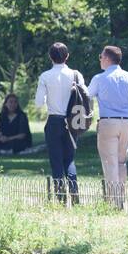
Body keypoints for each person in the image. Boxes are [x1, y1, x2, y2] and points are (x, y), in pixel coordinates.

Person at [88, 45, 128, 208]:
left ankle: (114, 202)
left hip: (108, 122)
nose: (100, 60)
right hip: (127, 123)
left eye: (100, 57)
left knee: (109, 162)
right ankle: (120, 198)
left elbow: (86, 95)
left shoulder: (99, 78)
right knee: (121, 162)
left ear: (106, 58)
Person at [35, 42, 84, 201]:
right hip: (72, 121)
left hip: (54, 120)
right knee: (69, 158)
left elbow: (38, 102)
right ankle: (74, 193)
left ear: (50, 57)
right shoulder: (76, 74)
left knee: (56, 159)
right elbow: (86, 95)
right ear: (67, 56)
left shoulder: (45, 76)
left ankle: (60, 196)